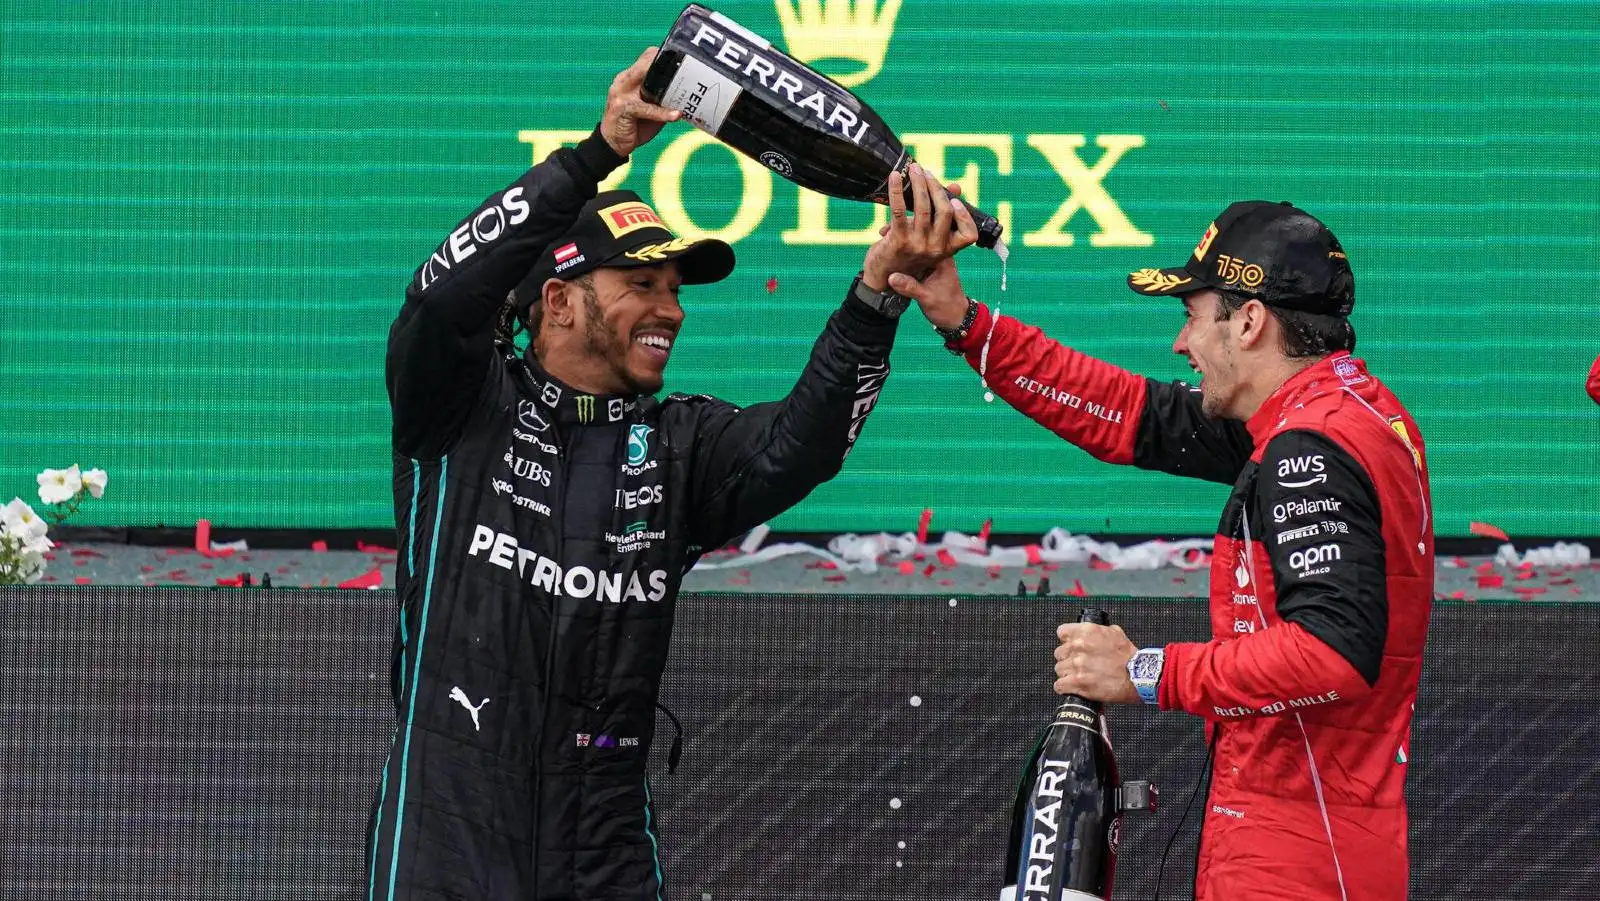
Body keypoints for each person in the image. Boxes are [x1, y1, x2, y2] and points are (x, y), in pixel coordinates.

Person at [367, 47, 976, 901]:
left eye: (676, 287)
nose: (672, 308)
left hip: (604, 835)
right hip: (448, 833)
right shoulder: (460, 404)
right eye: (642, 283)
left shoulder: (679, 443)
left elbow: (803, 444)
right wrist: (595, 155)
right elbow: (439, 297)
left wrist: (876, 298)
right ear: (558, 301)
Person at [887, 201, 1432, 900]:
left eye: (1191, 315)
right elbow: (1124, 413)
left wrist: (1143, 670)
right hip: (1322, 832)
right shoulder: (1337, 413)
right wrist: (965, 322)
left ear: (1249, 320)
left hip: (1293, 852)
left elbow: (1333, 653)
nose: (1182, 344)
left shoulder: (1307, 448)